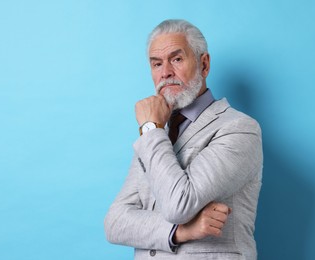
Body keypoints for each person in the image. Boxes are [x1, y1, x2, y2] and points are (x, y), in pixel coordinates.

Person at [104, 19, 263, 260]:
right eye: (157, 64)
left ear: (204, 64)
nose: (165, 72)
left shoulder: (239, 129)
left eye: (176, 59)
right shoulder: (157, 132)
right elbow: (115, 223)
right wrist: (182, 231)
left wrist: (150, 128)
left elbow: (179, 204)